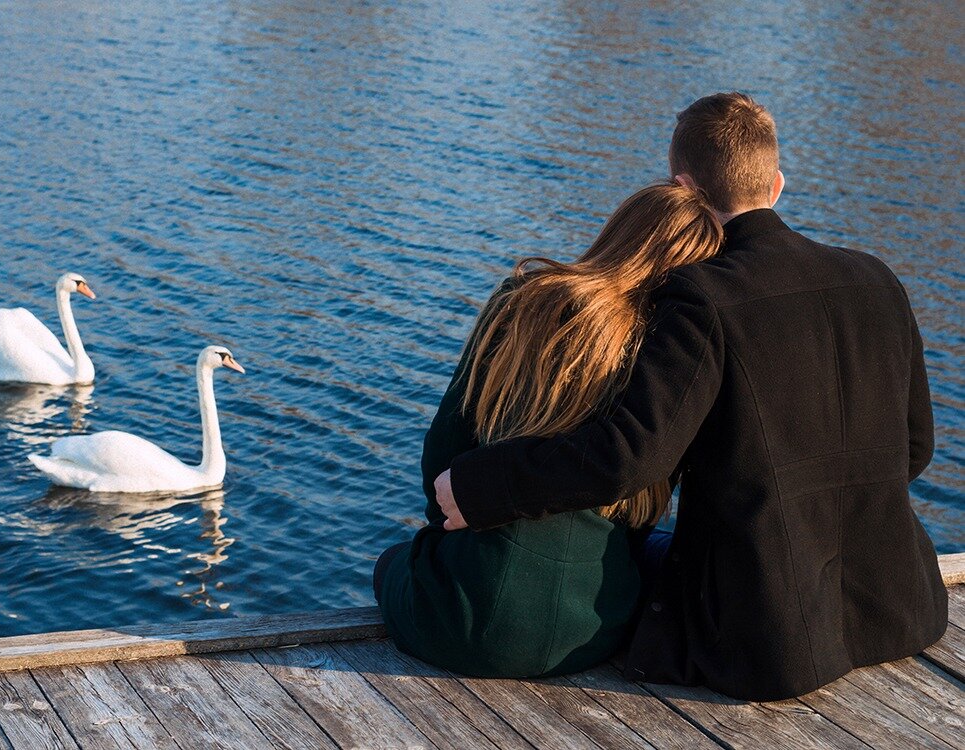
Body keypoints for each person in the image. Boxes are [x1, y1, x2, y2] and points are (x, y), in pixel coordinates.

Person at [432, 93, 946, 701]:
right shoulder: (877, 278)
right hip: (900, 608)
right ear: (777, 185)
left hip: (769, 637)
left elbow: (628, 458)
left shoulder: (701, 296)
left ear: (681, 187)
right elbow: (914, 450)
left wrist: (483, 485)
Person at [374, 183, 723, 678]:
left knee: (391, 562)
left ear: (618, 236)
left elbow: (442, 455)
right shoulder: (673, 363)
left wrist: (453, 525)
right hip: (594, 631)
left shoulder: (525, 301)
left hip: (462, 618)